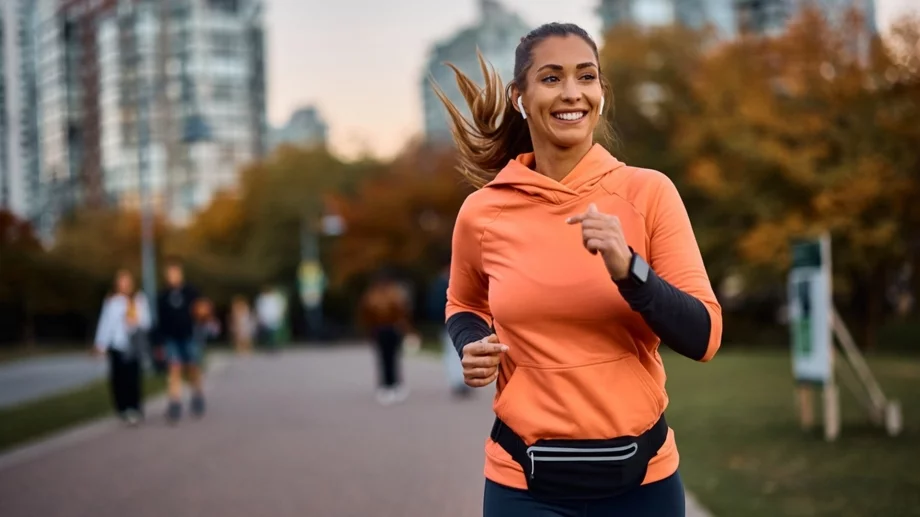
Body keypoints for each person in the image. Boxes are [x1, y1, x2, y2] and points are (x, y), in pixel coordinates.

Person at [434, 22, 723, 516]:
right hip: (523, 484)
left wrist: (630, 270)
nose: (572, 93)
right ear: (520, 96)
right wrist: (470, 344)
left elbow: (704, 336)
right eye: (551, 78)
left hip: (643, 484)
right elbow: (463, 303)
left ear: (601, 93)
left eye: (586, 77)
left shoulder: (649, 193)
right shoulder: (483, 213)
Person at [93, 269, 151, 426]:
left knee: (133, 378)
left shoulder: (138, 299)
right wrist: (101, 344)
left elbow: (147, 322)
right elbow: (105, 324)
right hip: (117, 345)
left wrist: (136, 321)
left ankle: (135, 408)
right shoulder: (112, 301)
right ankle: (122, 408)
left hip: (133, 345)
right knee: (118, 379)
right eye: (121, 281)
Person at [155, 257, 205, 424]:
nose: (173, 276)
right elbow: (160, 321)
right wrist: (159, 341)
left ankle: (197, 395)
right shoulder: (162, 296)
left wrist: (202, 315)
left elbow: (200, 310)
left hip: (188, 336)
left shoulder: (190, 291)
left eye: (175, 273)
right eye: (170, 274)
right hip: (171, 338)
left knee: (192, 368)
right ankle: (175, 402)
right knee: (174, 369)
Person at [359, 269, 413, 405]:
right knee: (390, 358)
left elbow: (366, 314)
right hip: (388, 329)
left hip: (383, 329)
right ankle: (391, 385)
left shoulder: (373, 295)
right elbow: (402, 311)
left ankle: (389, 385)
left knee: (387, 358)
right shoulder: (393, 294)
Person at [428, 261, 473, 399]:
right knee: (454, 352)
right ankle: (458, 381)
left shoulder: (442, 285)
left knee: (455, 352)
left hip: (452, 322)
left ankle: (459, 380)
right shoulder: (446, 285)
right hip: (452, 321)